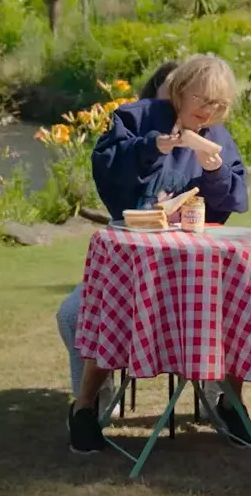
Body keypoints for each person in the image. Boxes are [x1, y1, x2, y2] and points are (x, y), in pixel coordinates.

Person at [63, 55, 251, 455]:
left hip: (192, 269)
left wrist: (214, 168)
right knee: (99, 310)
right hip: (132, 263)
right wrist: (153, 147)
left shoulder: (217, 136)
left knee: (235, 305)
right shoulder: (139, 117)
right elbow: (107, 165)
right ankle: (84, 408)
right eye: (202, 99)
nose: (208, 111)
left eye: (218, 105)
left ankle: (229, 405)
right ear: (181, 91)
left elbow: (236, 198)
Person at [54, 60, 180, 422]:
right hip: (126, 272)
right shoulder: (128, 135)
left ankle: (223, 402)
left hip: (186, 274)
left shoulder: (207, 138)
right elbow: (113, 178)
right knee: (72, 314)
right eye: (170, 91)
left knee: (216, 314)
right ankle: (94, 397)